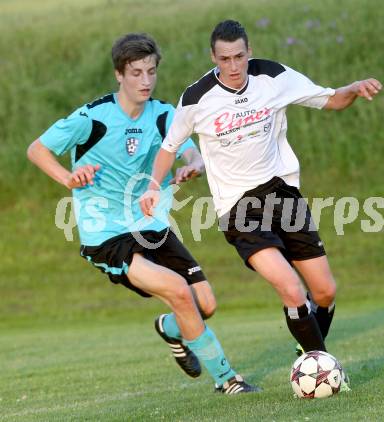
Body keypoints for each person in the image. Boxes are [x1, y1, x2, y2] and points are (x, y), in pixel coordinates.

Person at [142, 20, 383, 390]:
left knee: (324, 293)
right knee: (291, 289)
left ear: (249, 52)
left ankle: (306, 351)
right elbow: (169, 147)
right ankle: (323, 372)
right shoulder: (196, 97)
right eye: (225, 59)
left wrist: (352, 88)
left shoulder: (274, 76)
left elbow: (331, 99)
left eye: (239, 56)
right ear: (213, 58)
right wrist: (154, 186)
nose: (233, 66)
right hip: (238, 208)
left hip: (283, 195)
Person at [27, 32, 259, 394]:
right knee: (179, 291)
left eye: (151, 71)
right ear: (120, 74)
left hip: (152, 225)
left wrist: (192, 166)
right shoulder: (93, 117)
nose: (146, 81)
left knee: (205, 303)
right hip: (106, 233)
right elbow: (37, 149)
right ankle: (228, 380)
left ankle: (170, 328)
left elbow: (192, 153)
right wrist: (69, 178)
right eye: (136, 73)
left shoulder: (165, 114)